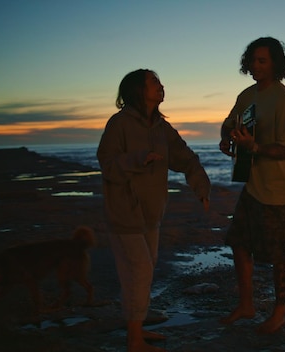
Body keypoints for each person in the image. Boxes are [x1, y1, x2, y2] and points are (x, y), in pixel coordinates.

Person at [97, 69, 210, 352]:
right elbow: (107, 164)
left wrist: (201, 185)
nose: (161, 86)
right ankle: (134, 340)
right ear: (137, 90)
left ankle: (136, 330)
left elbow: (184, 156)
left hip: (152, 213)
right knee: (139, 271)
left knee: (142, 270)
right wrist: (139, 159)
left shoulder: (161, 127)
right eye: (154, 82)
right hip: (125, 213)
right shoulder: (119, 124)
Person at [218, 37, 285, 334]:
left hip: (278, 189)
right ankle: (246, 305)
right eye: (253, 60)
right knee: (238, 242)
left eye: (262, 61)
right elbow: (229, 122)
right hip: (252, 183)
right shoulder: (247, 95)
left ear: (276, 64)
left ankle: (279, 313)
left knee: (277, 252)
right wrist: (226, 137)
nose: (255, 65)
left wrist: (254, 147)